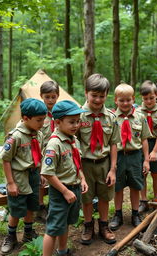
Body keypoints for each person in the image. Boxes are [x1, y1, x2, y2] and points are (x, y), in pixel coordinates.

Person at [0, 98, 47, 255]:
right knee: (16, 209)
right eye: (39, 120)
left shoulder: (38, 134)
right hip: (18, 178)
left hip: (33, 175)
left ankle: (28, 233)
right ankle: (11, 236)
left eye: (43, 119)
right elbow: (6, 160)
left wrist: (40, 173)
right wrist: (11, 183)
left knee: (31, 205)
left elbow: (38, 155)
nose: (42, 123)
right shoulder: (15, 136)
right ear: (26, 118)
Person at [76, 73, 120, 245]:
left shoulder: (111, 117)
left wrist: (113, 169)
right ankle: (88, 226)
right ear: (86, 92)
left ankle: (103, 225)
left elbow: (114, 144)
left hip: (104, 164)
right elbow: (74, 144)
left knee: (104, 196)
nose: (98, 99)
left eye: (102, 96)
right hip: (85, 164)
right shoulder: (78, 117)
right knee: (86, 198)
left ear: (107, 95)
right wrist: (79, 172)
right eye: (94, 95)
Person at [41, 100, 88, 256]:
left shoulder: (73, 140)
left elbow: (76, 164)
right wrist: (65, 191)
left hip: (74, 188)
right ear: (58, 122)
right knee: (54, 228)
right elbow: (47, 173)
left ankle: (62, 251)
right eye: (71, 122)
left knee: (66, 223)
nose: (76, 125)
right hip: (61, 191)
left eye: (78, 121)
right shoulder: (54, 144)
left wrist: (82, 179)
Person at [109, 83, 151, 231]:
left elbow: (144, 139)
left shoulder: (140, 117)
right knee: (117, 187)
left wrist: (146, 160)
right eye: (121, 100)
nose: (125, 103)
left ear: (133, 99)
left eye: (128, 100)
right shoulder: (112, 118)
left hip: (135, 156)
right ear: (116, 100)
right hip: (118, 156)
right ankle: (118, 214)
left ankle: (135, 214)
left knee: (135, 185)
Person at [136, 80, 157, 213]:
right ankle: (143, 200)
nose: (149, 101)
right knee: (142, 173)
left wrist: (155, 150)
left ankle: (156, 199)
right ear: (141, 97)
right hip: (141, 145)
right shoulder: (138, 111)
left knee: (155, 173)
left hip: (155, 143)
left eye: (151, 98)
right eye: (145, 98)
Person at [37, 80, 60, 222]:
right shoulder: (38, 114)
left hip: (57, 152)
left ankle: (54, 205)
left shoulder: (60, 113)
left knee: (56, 178)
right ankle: (40, 207)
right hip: (41, 153)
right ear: (41, 96)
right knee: (41, 180)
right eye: (47, 97)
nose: (50, 100)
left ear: (57, 96)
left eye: (53, 96)